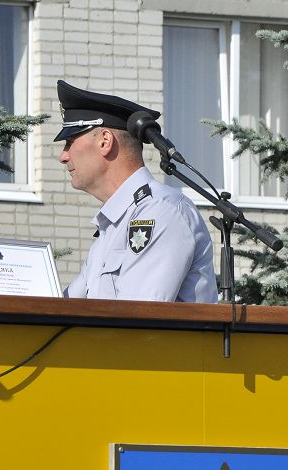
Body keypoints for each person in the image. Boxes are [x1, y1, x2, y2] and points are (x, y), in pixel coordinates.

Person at [55, 80, 218, 303]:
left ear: (105, 141)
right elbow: (67, 306)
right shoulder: (114, 225)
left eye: (69, 142)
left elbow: (137, 314)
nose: (63, 156)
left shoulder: (160, 211)